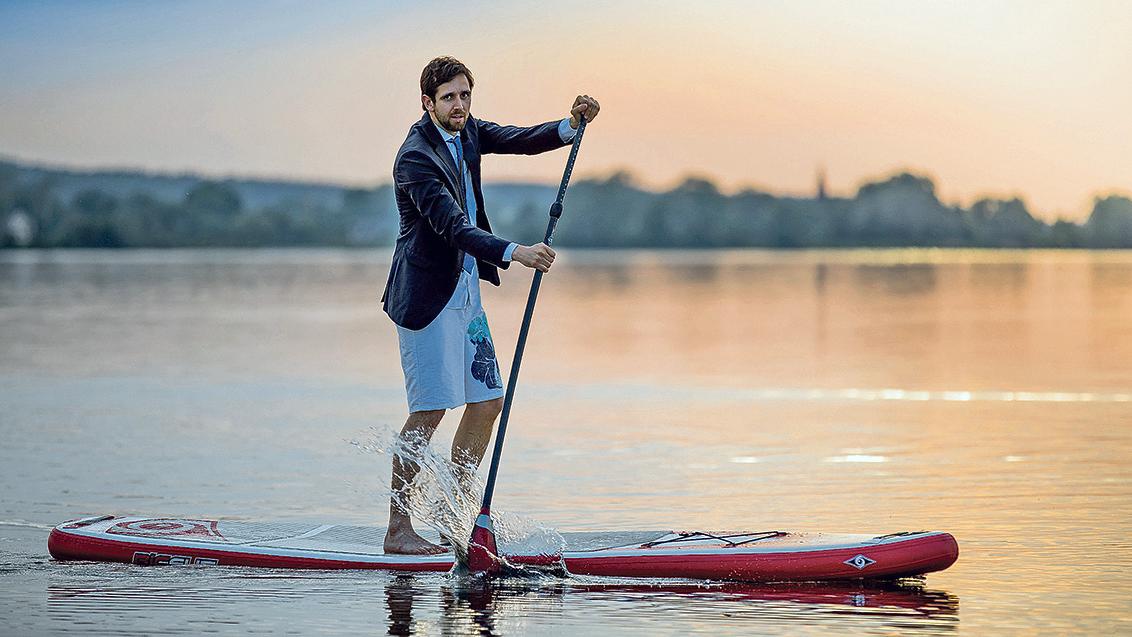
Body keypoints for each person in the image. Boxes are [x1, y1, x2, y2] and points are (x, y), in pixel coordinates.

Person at [381, 56, 600, 554]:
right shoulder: (415, 159)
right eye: (448, 98)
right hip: (425, 301)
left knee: (486, 403)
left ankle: (455, 517)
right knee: (429, 411)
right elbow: (453, 227)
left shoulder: (470, 130)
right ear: (427, 103)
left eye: (464, 95)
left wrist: (571, 126)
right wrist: (515, 252)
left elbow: (519, 138)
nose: (459, 105)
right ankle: (398, 529)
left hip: (465, 295)